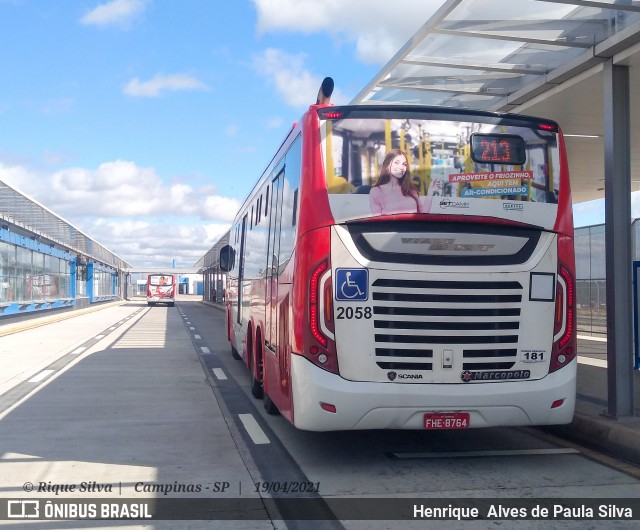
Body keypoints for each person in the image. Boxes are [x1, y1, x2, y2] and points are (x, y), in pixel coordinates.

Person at [369, 149, 442, 214]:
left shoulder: (410, 190)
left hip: (413, 229)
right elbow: (378, 223)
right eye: (396, 162)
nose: (401, 167)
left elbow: (422, 214)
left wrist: (430, 193)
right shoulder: (376, 192)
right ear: (387, 166)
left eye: (404, 164)